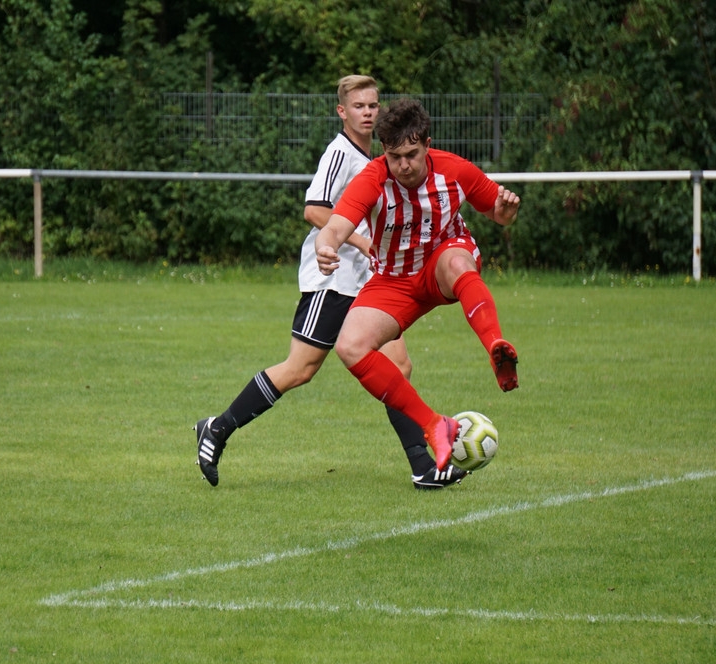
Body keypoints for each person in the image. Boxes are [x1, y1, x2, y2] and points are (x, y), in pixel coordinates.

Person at [194, 76, 467, 490]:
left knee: (399, 365)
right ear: (343, 112)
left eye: (374, 105)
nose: (368, 112)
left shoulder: (383, 157)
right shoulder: (339, 154)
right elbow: (314, 210)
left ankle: (423, 466)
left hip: (369, 283)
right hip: (333, 279)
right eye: (359, 106)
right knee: (300, 369)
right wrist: (360, 240)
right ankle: (217, 428)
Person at [315, 98, 521, 474]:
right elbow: (334, 226)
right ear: (384, 152)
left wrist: (505, 213)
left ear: (428, 143)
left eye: (411, 154)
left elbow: (497, 211)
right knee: (350, 347)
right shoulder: (373, 179)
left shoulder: (454, 170)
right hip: (393, 280)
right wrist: (325, 245)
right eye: (395, 157)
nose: (403, 165)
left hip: (441, 262)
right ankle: (434, 425)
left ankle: (495, 345)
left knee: (458, 262)